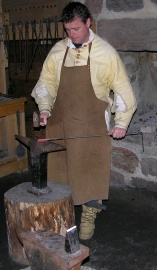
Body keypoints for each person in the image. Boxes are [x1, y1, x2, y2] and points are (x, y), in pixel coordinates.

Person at [31, 1, 136, 240]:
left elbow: (123, 91)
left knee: (90, 173)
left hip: (91, 124)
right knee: (60, 173)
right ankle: (61, 216)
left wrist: (121, 123)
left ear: (88, 23)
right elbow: (45, 84)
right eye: (67, 30)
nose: (72, 35)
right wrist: (45, 109)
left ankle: (89, 216)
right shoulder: (58, 51)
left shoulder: (105, 52)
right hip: (60, 123)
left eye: (76, 29)